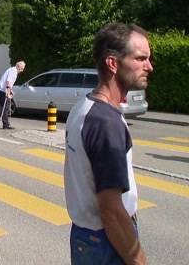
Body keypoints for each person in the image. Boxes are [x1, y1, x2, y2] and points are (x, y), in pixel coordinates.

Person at [64, 23, 152, 265]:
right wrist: (138, 259)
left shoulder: (83, 107)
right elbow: (112, 212)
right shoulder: (105, 123)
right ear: (112, 63)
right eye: (140, 58)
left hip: (85, 236)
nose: (149, 66)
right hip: (106, 242)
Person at [0, 61, 26, 130]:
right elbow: (8, 82)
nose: (22, 70)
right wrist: (8, 93)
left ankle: (5, 124)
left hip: (2, 89)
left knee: (6, 107)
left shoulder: (12, 69)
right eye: (22, 68)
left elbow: (8, 83)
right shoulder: (13, 71)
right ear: (18, 66)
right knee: (3, 108)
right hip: (3, 90)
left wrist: (10, 91)